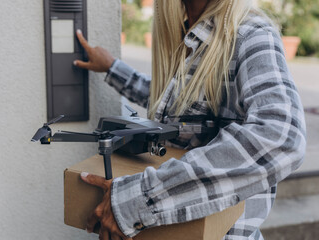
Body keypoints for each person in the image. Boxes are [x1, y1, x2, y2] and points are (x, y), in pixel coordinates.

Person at [73, 0, 306, 239]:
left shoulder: (250, 34)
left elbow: (281, 137)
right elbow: (177, 103)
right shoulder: (187, 32)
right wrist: (113, 68)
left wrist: (136, 200)